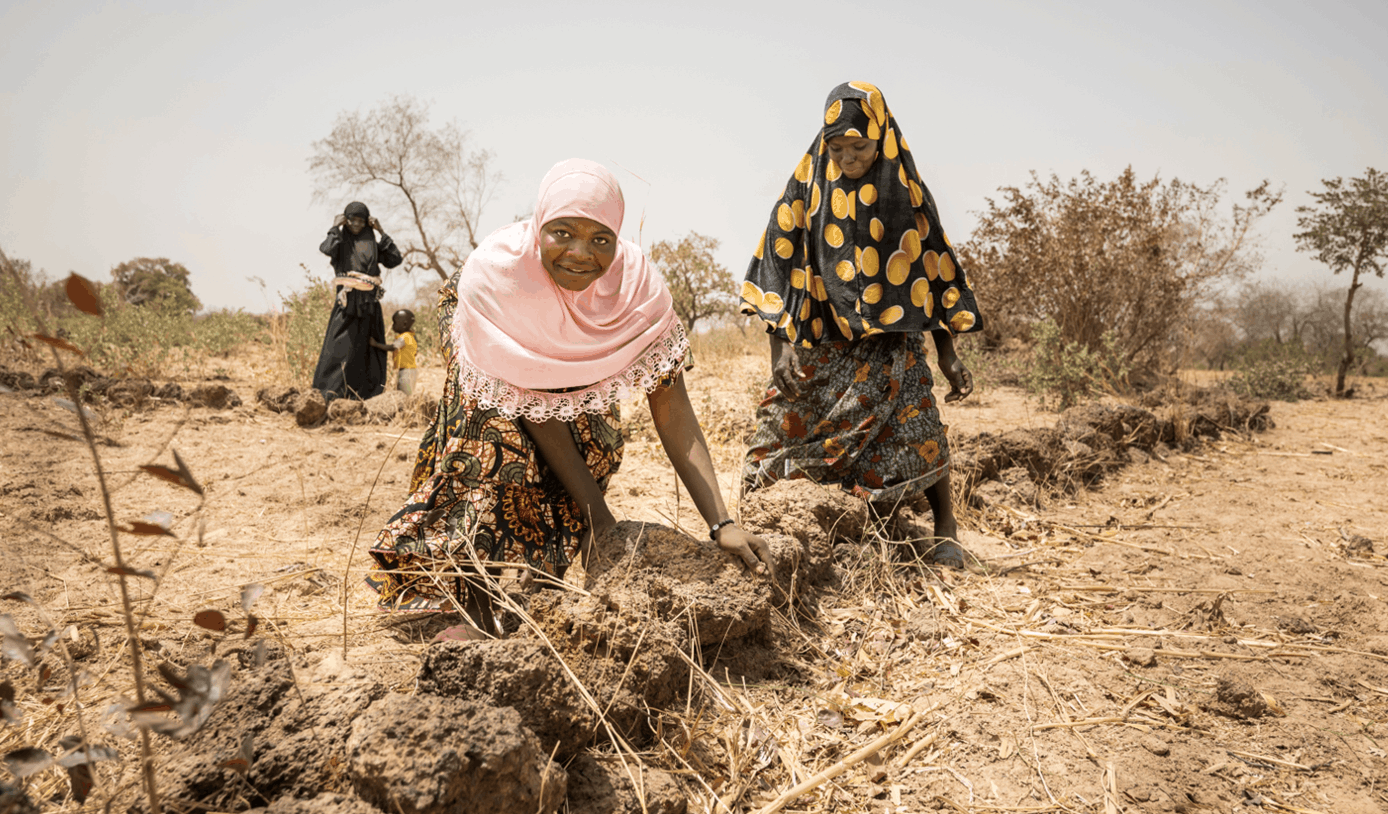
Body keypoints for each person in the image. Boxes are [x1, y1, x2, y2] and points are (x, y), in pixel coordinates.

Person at [368, 159, 771, 616]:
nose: (581, 252)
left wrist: (721, 524)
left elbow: (673, 410)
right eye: (562, 232)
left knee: (595, 443)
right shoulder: (499, 275)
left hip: (557, 353)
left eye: (601, 239)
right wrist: (598, 518)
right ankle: (470, 596)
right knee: (493, 436)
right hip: (488, 324)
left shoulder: (636, 291)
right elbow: (534, 407)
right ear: (539, 224)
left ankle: (535, 566)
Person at [739, 81, 982, 566]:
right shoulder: (806, 186)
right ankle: (763, 521)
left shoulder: (904, 192)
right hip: (823, 336)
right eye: (837, 148)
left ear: (881, 136)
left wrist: (949, 352)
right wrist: (780, 345)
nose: (848, 158)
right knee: (780, 428)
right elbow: (777, 263)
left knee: (919, 426)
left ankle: (946, 530)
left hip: (892, 341)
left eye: (860, 147)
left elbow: (930, 269)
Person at [312, 201, 402, 401]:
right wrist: (335, 227)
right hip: (347, 304)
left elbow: (395, 259)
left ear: (367, 223)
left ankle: (365, 397)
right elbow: (326, 248)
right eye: (352, 220)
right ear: (346, 219)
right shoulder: (340, 242)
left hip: (369, 305)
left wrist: (381, 231)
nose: (356, 224)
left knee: (368, 350)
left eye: (362, 221)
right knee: (338, 348)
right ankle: (330, 394)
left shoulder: (372, 244)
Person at [389, 309, 418, 396]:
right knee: (404, 393)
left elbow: (392, 347)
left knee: (404, 395)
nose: (392, 326)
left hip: (406, 371)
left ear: (404, 324)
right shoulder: (411, 336)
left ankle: (406, 409)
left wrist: (376, 344)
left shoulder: (404, 337)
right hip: (410, 370)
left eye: (394, 323)